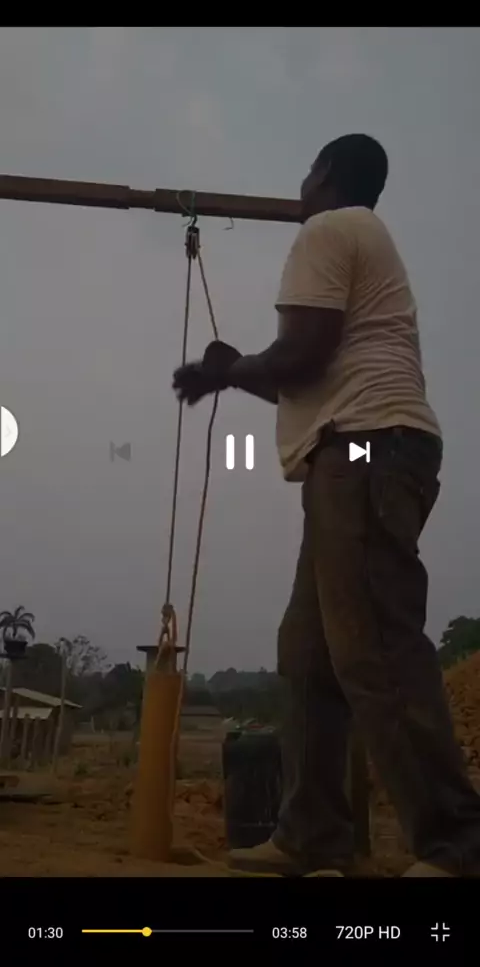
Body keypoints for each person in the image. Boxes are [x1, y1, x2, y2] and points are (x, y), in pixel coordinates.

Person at [173, 134, 480, 877]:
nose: (301, 185)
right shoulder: (359, 238)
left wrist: (226, 372)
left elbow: (302, 354)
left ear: (330, 174)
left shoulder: (330, 228)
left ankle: (458, 840)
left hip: (368, 452)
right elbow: (303, 379)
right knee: (309, 653)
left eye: (308, 170)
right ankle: (312, 832)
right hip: (360, 450)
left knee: (373, 644)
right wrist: (236, 370)